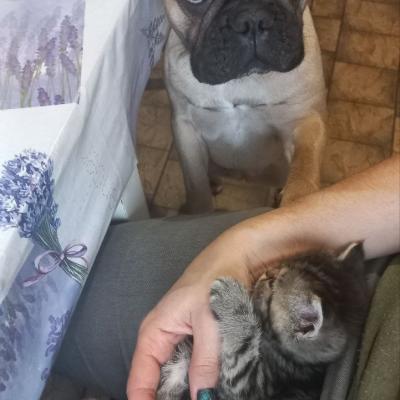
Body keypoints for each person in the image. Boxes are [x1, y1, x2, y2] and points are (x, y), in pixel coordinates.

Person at [55, 155, 400, 400]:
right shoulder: (303, 318)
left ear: (306, 325)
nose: (267, 275)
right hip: (370, 293)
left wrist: (239, 320)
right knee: (77, 278)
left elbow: (242, 387)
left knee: (66, 300)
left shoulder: (294, 354)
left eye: (272, 283)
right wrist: (244, 245)